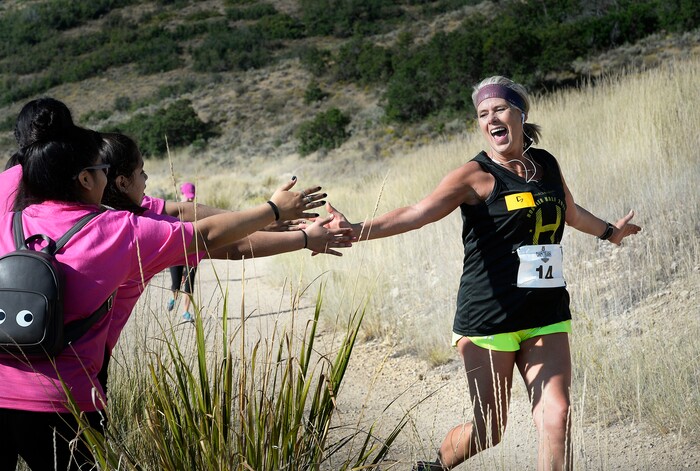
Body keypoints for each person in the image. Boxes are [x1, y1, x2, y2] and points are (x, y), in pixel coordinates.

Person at [324, 76, 641, 470]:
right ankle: (437, 466)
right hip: (489, 318)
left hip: (546, 311)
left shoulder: (545, 164)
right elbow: (415, 214)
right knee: (489, 429)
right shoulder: (475, 176)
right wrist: (355, 230)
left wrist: (611, 233)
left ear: (520, 114)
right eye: (483, 113)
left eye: (500, 109)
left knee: (556, 417)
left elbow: (571, 213)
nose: (492, 117)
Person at [0, 120, 322, 470]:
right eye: (101, 170)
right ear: (85, 179)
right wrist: (273, 210)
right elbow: (208, 237)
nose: (107, 178)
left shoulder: (10, 214)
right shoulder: (117, 231)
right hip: (62, 404)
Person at [96, 131, 352, 394]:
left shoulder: (105, 208)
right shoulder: (133, 230)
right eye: (141, 172)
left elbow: (184, 212)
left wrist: (265, 220)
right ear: (122, 182)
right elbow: (226, 243)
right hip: (81, 377)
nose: (146, 180)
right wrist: (285, 223)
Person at [168, 182, 199, 321]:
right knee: (176, 283)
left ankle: (186, 312)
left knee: (189, 283)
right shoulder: (172, 211)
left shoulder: (197, 211)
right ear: (181, 195)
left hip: (192, 253)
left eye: (192, 197)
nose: (190, 200)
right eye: (187, 197)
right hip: (176, 254)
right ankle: (173, 298)